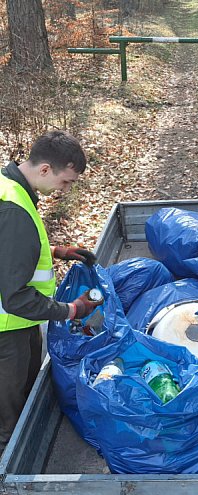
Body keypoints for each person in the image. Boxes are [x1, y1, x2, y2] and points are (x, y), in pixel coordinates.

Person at [0, 130, 103, 456]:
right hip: (7, 329)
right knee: (9, 410)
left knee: (21, 394)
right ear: (45, 169)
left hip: (18, 323)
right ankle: (10, 472)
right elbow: (15, 298)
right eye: (66, 182)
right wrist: (71, 310)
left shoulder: (10, 187)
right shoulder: (14, 209)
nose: (66, 189)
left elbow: (10, 250)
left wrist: (58, 251)